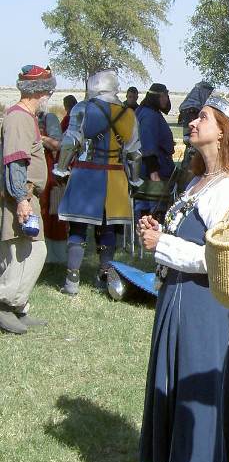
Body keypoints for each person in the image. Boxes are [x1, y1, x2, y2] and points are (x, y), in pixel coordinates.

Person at [137, 94, 229, 462]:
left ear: (224, 132)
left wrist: (162, 244)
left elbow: (221, 259)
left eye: (203, 118)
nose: (192, 122)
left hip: (206, 304)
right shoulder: (198, 182)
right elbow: (190, 239)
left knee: (196, 385)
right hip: (177, 295)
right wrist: (161, 232)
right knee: (175, 380)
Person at [54, 69, 142, 294]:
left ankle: (72, 281)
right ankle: (104, 276)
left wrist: (61, 169)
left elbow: (70, 143)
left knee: (78, 227)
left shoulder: (82, 108)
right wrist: (134, 180)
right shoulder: (129, 114)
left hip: (87, 174)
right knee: (108, 229)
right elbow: (134, 154)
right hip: (115, 177)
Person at [0, 64, 56, 334]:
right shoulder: (18, 118)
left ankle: (17, 306)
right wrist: (21, 198)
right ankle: (4, 305)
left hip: (26, 194)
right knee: (22, 252)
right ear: (38, 92)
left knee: (32, 251)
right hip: (19, 197)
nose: (49, 96)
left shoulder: (26, 116)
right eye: (48, 91)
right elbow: (15, 162)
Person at [134, 82, 176, 223]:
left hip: (148, 168)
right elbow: (148, 145)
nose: (166, 99)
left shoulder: (146, 111)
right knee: (153, 211)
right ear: (156, 97)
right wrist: (154, 174)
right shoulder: (149, 116)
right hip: (152, 171)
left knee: (146, 209)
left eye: (166, 95)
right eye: (163, 96)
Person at [37, 103, 66, 263]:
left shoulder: (50, 118)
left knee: (52, 211)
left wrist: (39, 137)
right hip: (32, 170)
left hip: (49, 171)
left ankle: (53, 256)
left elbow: (57, 145)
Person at [176, 80, 214, 191]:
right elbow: (187, 137)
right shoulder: (191, 109)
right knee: (189, 182)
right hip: (193, 151)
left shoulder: (194, 107)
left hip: (195, 149)